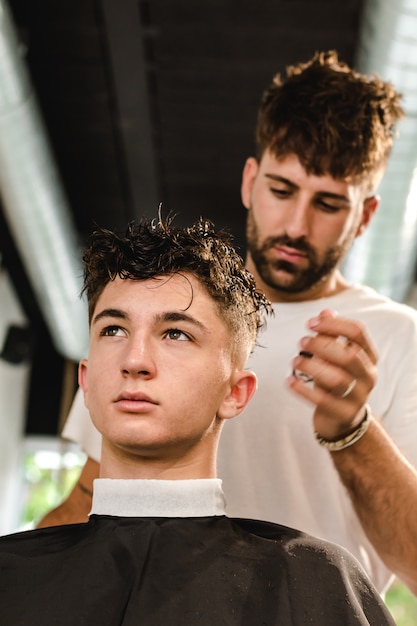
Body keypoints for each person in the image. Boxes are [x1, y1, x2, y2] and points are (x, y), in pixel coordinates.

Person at [39, 51, 417, 596]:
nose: (295, 225)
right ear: (250, 181)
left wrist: (352, 431)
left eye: (329, 204)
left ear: (365, 216)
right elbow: (89, 500)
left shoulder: (399, 338)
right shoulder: (155, 315)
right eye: (282, 191)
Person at [0, 216, 395, 625]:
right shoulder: (10, 575)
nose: (134, 360)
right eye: (114, 329)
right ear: (87, 380)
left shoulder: (314, 581)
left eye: (175, 334)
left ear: (235, 393)